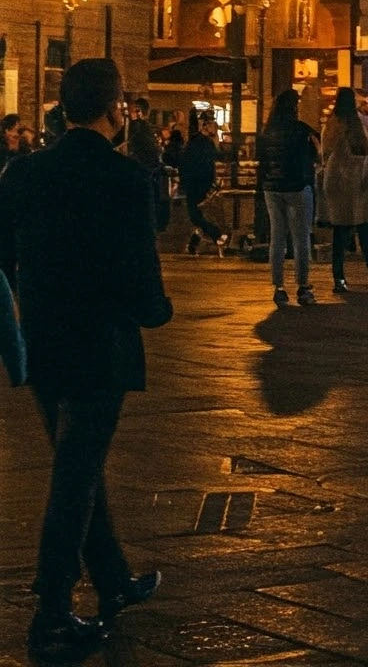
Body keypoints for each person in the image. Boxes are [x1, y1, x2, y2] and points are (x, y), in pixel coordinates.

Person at [0, 58, 170, 666]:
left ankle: (114, 580)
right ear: (112, 107)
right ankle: (49, 611)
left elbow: (2, 252)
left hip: (43, 342)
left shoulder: (23, 174)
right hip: (101, 345)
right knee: (75, 475)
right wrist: (155, 310)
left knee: (80, 463)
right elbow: (139, 267)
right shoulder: (126, 178)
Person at [254, 89, 320, 308]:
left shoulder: (266, 132)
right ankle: (303, 286)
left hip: (272, 188)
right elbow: (315, 155)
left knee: (277, 237)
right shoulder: (301, 130)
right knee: (301, 238)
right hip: (297, 186)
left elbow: (261, 161)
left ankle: (279, 287)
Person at [319, 88, 368, 293]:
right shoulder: (364, 123)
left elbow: (325, 152)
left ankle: (339, 278)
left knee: (340, 233)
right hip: (361, 178)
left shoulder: (331, 125)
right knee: (366, 231)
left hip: (337, 178)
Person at [177, 114, 225, 256]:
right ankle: (212, 236)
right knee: (196, 214)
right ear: (205, 126)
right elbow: (212, 161)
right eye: (212, 125)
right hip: (199, 182)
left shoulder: (195, 142)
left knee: (195, 214)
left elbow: (185, 161)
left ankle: (200, 240)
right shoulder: (205, 143)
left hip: (194, 182)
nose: (214, 128)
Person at [121, 102, 168, 236]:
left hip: (146, 169)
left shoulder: (139, 128)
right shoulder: (145, 129)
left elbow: (144, 147)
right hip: (150, 168)